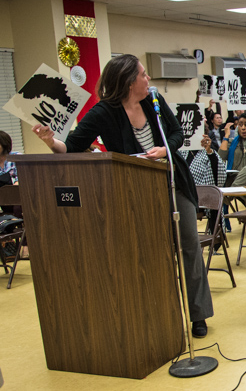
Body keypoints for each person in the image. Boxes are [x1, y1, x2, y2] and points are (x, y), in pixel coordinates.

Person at [31, 55, 213, 337]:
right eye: (143, 74)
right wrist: (49, 140)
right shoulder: (104, 111)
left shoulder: (155, 101)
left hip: (175, 181)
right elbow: (71, 146)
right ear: (129, 82)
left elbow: (177, 133)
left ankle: (198, 314)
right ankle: (158, 312)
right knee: (149, 251)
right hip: (136, 190)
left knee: (189, 245)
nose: (148, 79)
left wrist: (165, 149)